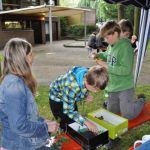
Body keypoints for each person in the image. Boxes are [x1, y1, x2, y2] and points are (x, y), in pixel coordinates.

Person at [92, 21, 145, 149]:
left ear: (115, 33)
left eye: (106, 37)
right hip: (113, 88)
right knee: (111, 115)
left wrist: (106, 66)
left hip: (125, 88)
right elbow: (109, 56)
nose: (105, 40)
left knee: (128, 114)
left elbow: (125, 70)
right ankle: (114, 139)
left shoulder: (125, 47)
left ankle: (141, 100)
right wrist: (99, 55)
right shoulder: (112, 45)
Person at [0, 38, 59, 150]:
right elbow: (19, 126)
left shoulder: (18, 81)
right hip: (21, 145)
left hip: (27, 142)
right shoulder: (14, 85)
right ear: (21, 59)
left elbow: (25, 114)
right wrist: (45, 127)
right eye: (31, 54)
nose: (33, 58)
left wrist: (42, 121)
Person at [49, 65, 108, 132]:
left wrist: (86, 94)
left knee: (74, 118)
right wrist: (87, 122)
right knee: (65, 121)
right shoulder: (71, 86)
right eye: (94, 89)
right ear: (86, 81)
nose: (95, 92)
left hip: (69, 97)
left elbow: (83, 87)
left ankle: (72, 129)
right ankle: (65, 132)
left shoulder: (90, 74)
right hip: (57, 99)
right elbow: (69, 111)